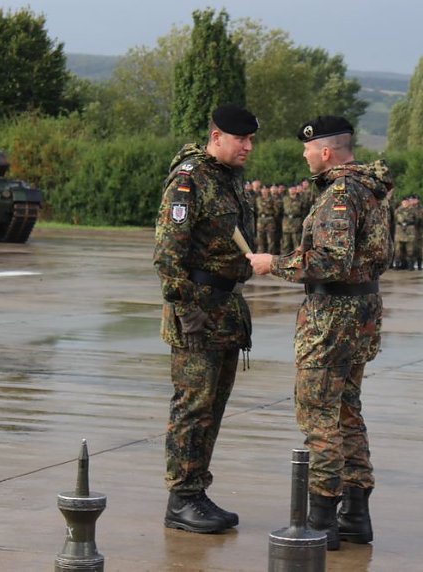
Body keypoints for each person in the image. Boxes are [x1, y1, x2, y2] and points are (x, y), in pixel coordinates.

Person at [246, 115, 392, 551]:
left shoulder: (340, 194)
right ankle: (356, 516)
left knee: (318, 415)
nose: (305, 155)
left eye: (308, 149)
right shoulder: (370, 188)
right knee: (347, 409)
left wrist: (274, 263)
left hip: (333, 315)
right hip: (361, 310)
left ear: (326, 151)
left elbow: (330, 260)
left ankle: (323, 519)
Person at [153, 103, 258, 534]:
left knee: (213, 409)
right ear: (217, 137)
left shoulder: (229, 181)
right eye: (241, 139)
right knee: (192, 409)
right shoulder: (189, 180)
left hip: (225, 311)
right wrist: (186, 308)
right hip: (197, 313)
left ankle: (196, 490)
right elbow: (167, 255)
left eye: (251, 140)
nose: (248, 147)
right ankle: (181, 498)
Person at [393, 196, 417, 270]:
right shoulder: (398, 210)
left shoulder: (413, 210)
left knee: (410, 250)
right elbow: (394, 219)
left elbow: (418, 220)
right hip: (399, 233)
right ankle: (397, 265)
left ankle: (410, 266)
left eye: (406, 202)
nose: (405, 203)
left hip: (410, 233)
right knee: (398, 250)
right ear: (401, 203)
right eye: (404, 202)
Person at [281, 185, 305, 254]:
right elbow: (280, 210)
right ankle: (284, 260)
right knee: (286, 244)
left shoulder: (301, 199)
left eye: (293, 188)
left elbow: (304, 210)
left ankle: (297, 260)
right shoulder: (285, 199)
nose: (292, 190)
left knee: (297, 243)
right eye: (290, 189)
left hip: (296, 223)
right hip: (286, 223)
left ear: (296, 190)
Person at [413, 195, 423, 270]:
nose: (413, 201)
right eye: (413, 199)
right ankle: (410, 265)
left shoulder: (421, 209)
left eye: (415, 199)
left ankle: (419, 264)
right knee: (410, 249)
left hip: (418, 231)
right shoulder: (409, 207)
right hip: (410, 232)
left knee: (418, 249)